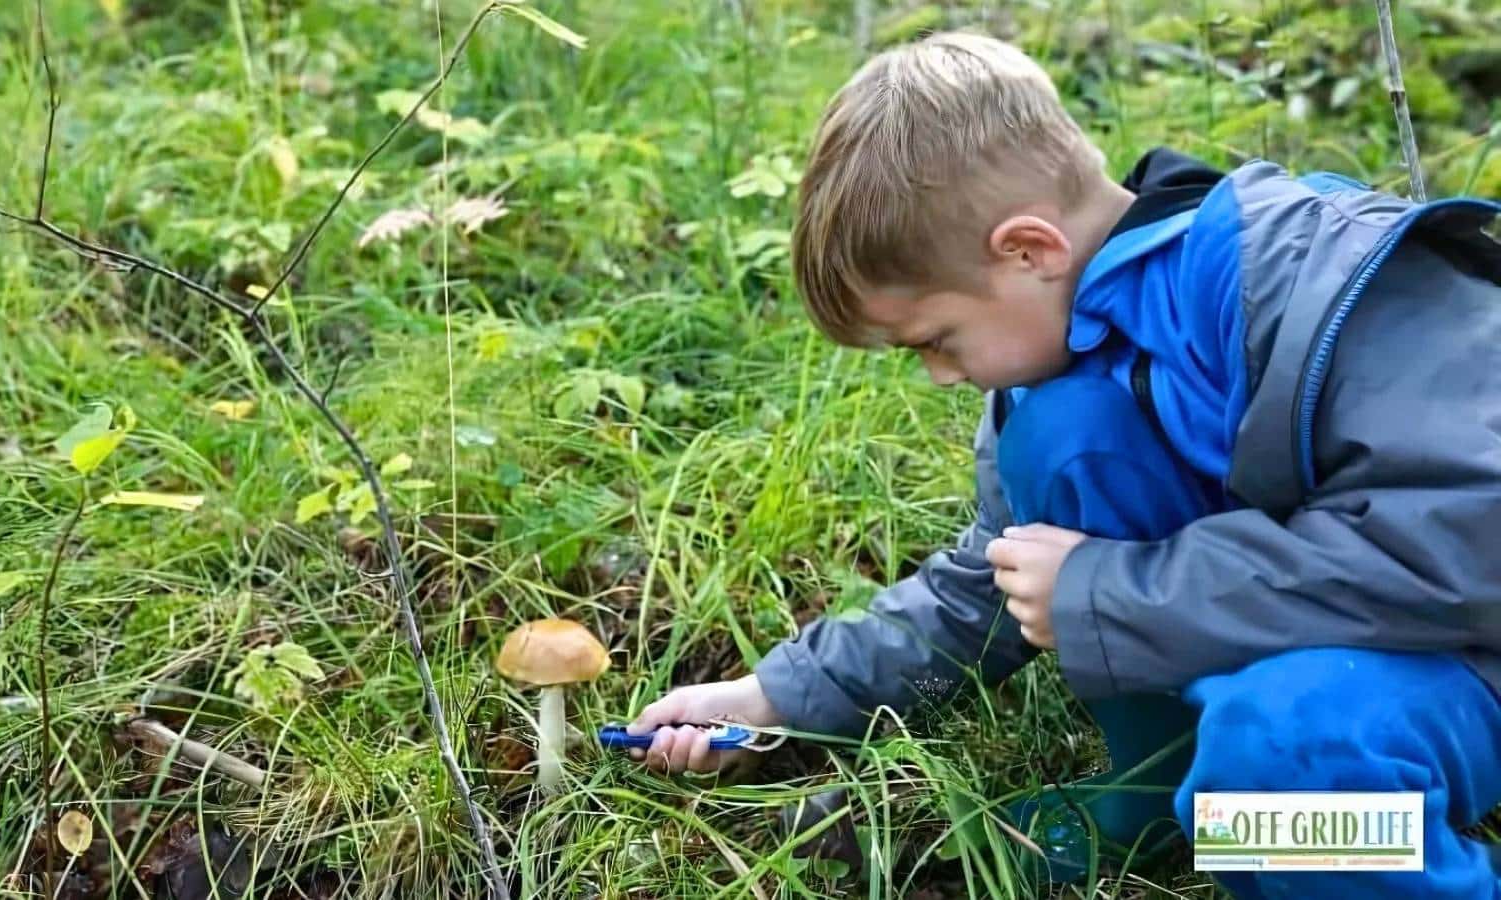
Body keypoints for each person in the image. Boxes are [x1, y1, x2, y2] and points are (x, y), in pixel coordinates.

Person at [623, 29, 1501, 898]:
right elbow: (994, 586)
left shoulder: (1315, 278)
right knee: (1068, 432)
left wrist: (1111, 592)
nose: (935, 373)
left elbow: (1470, 547)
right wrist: (771, 697)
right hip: (1322, 634)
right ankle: (1167, 796)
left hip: (1463, 644)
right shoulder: (1059, 358)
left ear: (1028, 249)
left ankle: (1279, 824)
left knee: (1271, 783)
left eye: (934, 339)